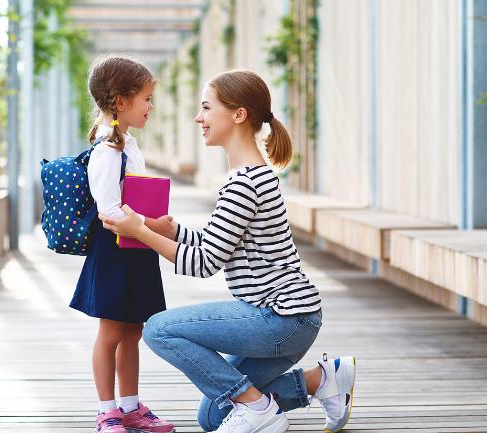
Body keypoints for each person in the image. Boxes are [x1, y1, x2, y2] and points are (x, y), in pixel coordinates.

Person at [99, 69, 356, 433]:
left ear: (238, 115)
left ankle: (256, 406)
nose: (198, 117)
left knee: (158, 329)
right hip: (292, 319)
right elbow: (218, 243)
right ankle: (322, 380)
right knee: (213, 416)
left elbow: (204, 263)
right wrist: (170, 230)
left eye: (206, 108)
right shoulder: (252, 176)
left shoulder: (244, 183)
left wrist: (139, 230)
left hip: (279, 318)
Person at [70, 55, 175, 433]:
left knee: (133, 331)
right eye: (146, 98)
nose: (150, 106)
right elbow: (110, 212)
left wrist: (150, 225)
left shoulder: (127, 144)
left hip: (135, 250)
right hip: (115, 250)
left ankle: (131, 407)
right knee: (111, 332)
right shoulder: (107, 150)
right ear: (120, 101)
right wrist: (154, 225)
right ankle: (106, 410)